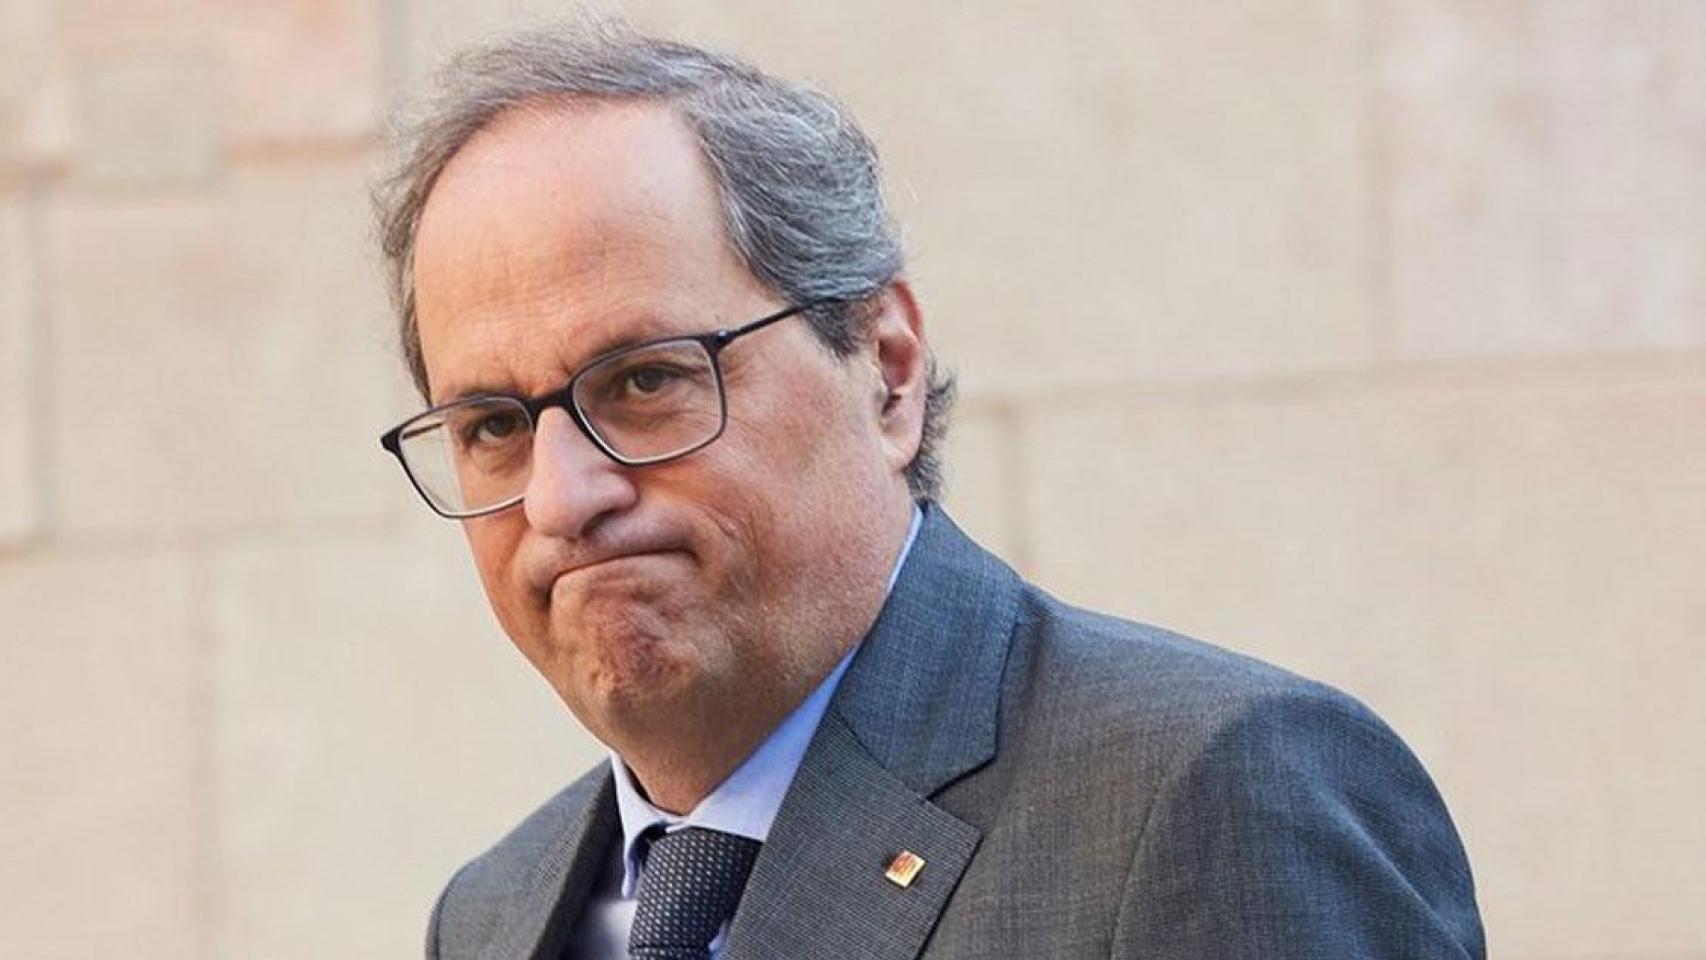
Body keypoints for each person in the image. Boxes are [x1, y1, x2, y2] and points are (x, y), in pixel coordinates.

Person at [374, 19, 1485, 960]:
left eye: (646, 381)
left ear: (887, 371)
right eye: (494, 426)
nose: (563, 499)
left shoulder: (1213, 794)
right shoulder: (492, 914)